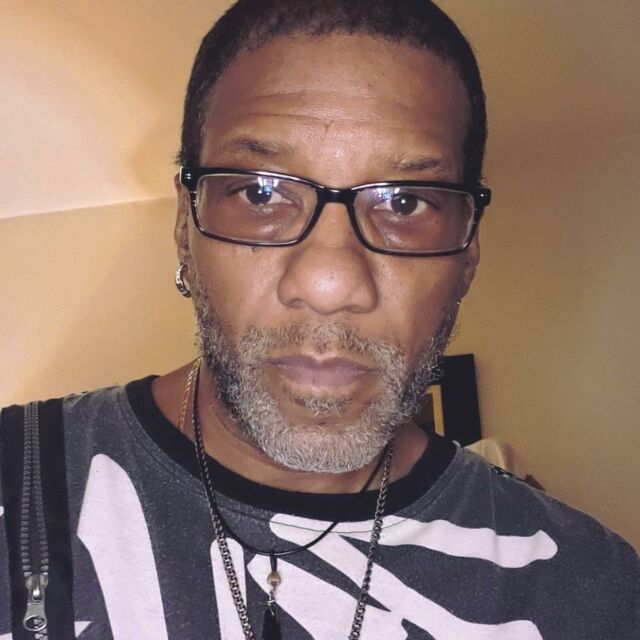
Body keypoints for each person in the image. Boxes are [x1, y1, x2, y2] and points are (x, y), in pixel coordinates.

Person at [1, 0, 638, 638]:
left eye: (405, 201)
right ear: (184, 226)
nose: (330, 283)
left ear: (467, 251)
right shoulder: (16, 485)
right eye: (261, 192)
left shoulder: (593, 593)